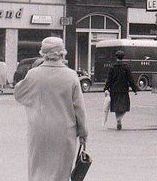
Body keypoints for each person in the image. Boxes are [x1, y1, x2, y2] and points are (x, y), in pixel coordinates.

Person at [14, 37, 88, 181]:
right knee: (60, 172)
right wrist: (83, 132)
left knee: (38, 171)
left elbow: (18, 94)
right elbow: (79, 108)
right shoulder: (71, 76)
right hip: (65, 132)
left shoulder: (34, 74)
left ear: (43, 53)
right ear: (62, 53)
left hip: (39, 131)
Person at [103, 50, 138, 130]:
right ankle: (119, 119)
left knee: (116, 107)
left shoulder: (112, 67)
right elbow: (130, 79)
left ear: (116, 57)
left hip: (114, 90)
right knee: (125, 106)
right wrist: (134, 89)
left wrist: (106, 89)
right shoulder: (126, 67)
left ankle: (118, 119)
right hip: (123, 90)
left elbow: (109, 79)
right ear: (123, 57)